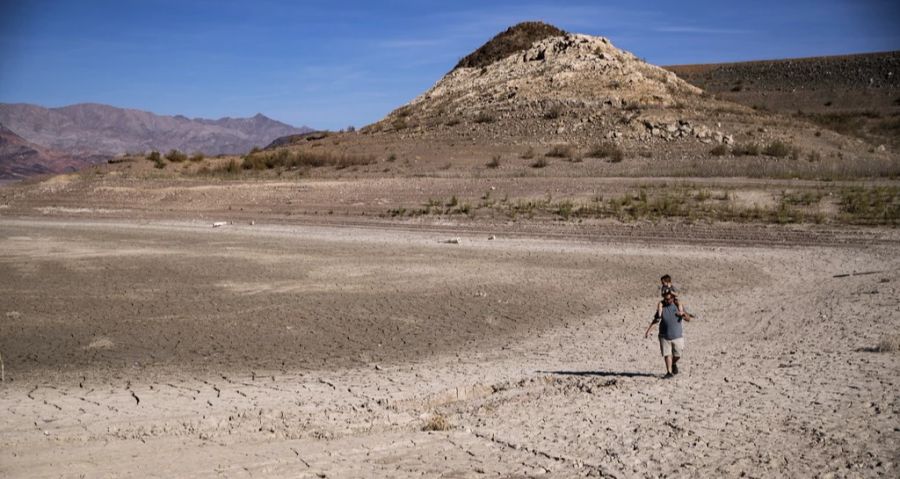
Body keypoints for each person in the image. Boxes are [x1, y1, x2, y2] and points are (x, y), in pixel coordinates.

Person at [645, 292, 691, 378]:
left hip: (677, 336)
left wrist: (683, 314)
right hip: (664, 336)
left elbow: (688, 319)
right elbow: (656, 320)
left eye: (668, 299)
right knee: (667, 354)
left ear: (673, 298)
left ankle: (673, 364)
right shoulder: (662, 308)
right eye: (665, 299)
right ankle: (669, 372)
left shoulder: (678, 306)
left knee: (678, 355)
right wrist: (648, 331)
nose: (667, 301)